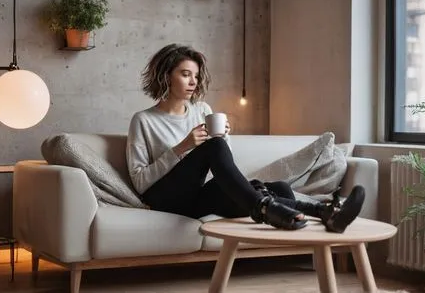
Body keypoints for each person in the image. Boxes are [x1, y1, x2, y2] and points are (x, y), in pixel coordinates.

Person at [126, 43, 365, 232]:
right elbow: (140, 183)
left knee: (279, 188)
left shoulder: (202, 110)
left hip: (194, 200)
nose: (193, 82)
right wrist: (182, 147)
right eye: (185, 74)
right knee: (223, 155)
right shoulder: (143, 120)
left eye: (196, 76)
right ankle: (277, 207)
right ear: (167, 76)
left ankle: (325, 214)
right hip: (164, 200)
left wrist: (224, 138)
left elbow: (221, 165)